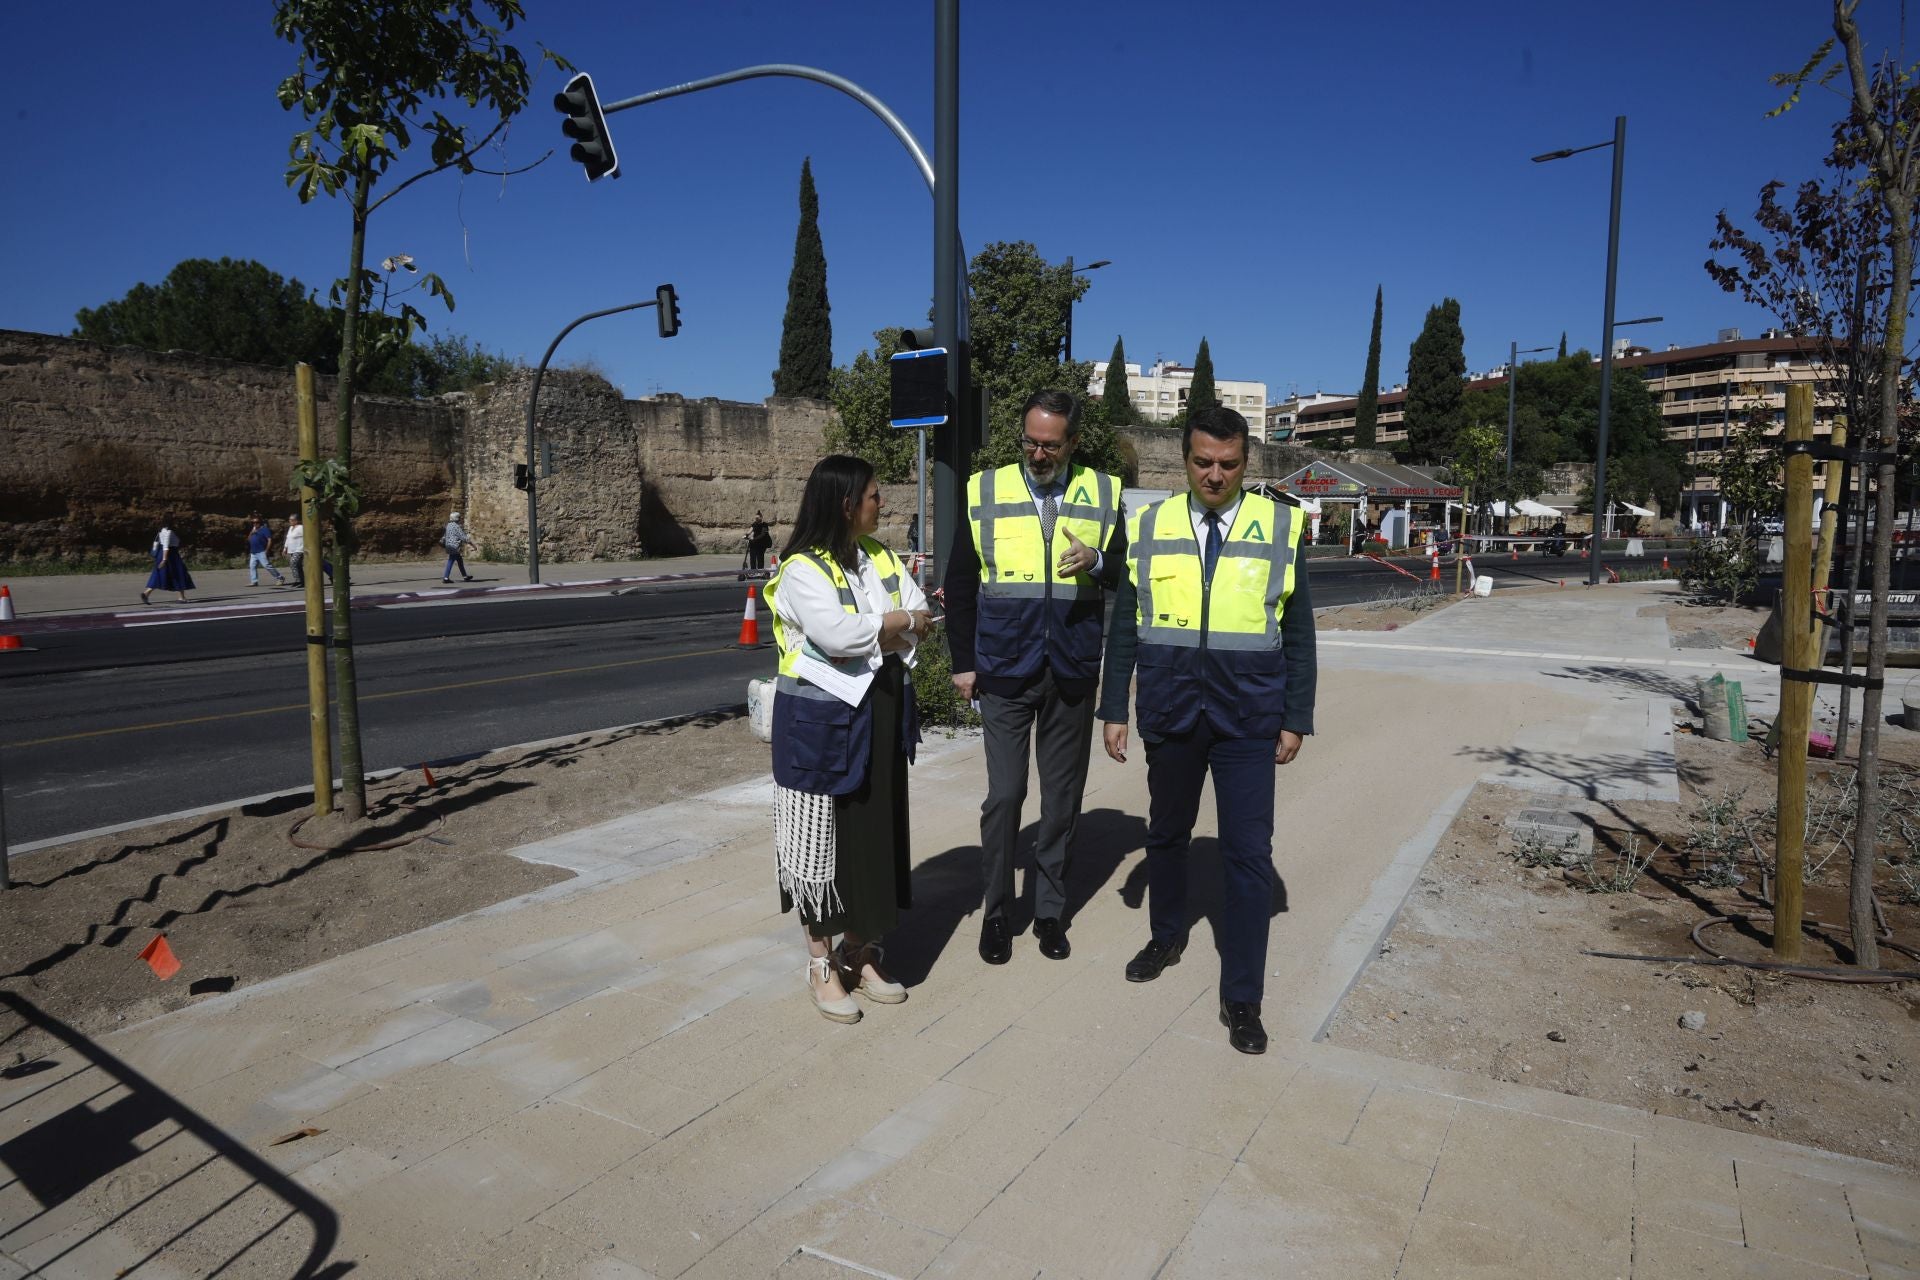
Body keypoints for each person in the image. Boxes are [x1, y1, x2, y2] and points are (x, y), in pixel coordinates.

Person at [1098, 407, 1317, 1056]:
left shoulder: (1280, 525)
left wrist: (1297, 715)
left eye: (1227, 463)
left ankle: (1242, 996)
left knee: (1248, 855)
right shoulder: (1151, 525)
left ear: (1247, 463)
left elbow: (1298, 628)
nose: (1214, 475)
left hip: (1249, 717)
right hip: (1170, 712)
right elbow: (1125, 622)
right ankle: (1166, 934)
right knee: (1165, 834)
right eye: (1202, 462)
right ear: (1184, 461)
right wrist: (1115, 706)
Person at [944, 388, 1126, 965]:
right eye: (1030, 441)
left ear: (1072, 441)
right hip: (1003, 667)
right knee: (1005, 796)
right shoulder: (986, 489)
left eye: (1050, 444)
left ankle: (1049, 911)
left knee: (1062, 798)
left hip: (1070, 668)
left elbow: (1128, 574)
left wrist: (1097, 561)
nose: (1038, 453)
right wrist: (962, 662)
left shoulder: (1103, 492)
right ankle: (996, 913)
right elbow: (962, 582)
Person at [765, 455, 933, 1023]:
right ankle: (820, 963)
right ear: (844, 503)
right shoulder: (800, 569)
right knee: (818, 844)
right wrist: (894, 624)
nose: (880, 503)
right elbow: (837, 635)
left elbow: (922, 610)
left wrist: (895, 624)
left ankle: (858, 951)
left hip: (879, 714)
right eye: (872, 495)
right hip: (818, 725)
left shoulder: (879, 557)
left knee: (871, 837)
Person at [141, 514, 195, 604]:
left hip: (162, 555)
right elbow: (166, 546)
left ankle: (146, 593)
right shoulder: (168, 532)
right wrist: (164, 560)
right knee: (179, 574)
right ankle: (181, 598)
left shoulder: (161, 530)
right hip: (170, 556)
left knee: (160, 575)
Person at [246, 513, 287, 587]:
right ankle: (254, 581)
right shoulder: (253, 530)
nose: (255, 524)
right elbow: (248, 540)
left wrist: (267, 550)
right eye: (253, 522)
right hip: (253, 552)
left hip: (261, 551)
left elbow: (269, 540)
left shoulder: (265, 529)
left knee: (267, 566)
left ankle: (280, 578)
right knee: (252, 566)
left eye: (256, 522)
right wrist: (251, 533)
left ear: (260, 522)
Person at [442, 512, 475, 583]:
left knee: (459, 561)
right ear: (456, 518)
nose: (460, 519)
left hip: (449, 545)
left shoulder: (448, 525)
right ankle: (446, 578)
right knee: (450, 561)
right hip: (454, 546)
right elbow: (464, 537)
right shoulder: (456, 526)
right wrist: (473, 545)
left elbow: (445, 536)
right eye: (459, 517)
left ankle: (465, 576)